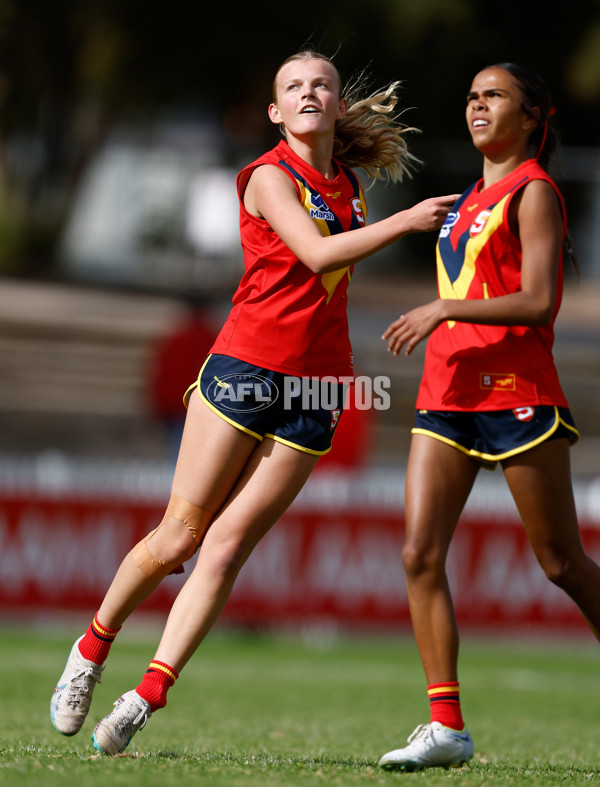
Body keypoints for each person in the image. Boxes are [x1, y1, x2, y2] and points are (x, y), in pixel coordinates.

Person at [50, 49, 458, 755]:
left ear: (335, 104)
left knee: (228, 546)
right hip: (245, 368)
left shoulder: (351, 184)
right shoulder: (270, 176)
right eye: (294, 86)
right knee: (181, 534)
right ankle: (89, 651)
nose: (308, 92)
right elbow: (317, 256)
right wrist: (406, 223)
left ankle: (145, 697)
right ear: (275, 111)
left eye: (320, 84)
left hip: (318, 386)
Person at [378, 62, 600, 772]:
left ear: (533, 117)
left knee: (560, 561)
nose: (478, 105)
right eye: (472, 95)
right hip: (447, 392)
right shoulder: (469, 195)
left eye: (494, 95)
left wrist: (446, 307)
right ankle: (446, 724)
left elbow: (539, 301)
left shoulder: (533, 191)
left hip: (516, 391)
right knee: (418, 553)